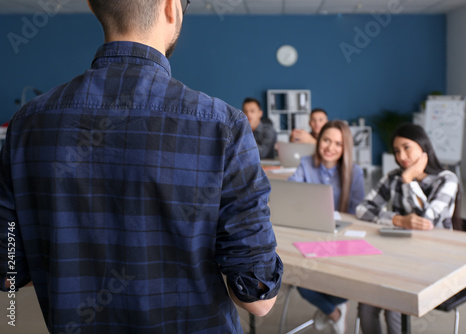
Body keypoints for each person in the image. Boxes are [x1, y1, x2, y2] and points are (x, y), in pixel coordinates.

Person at [0, 1, 283, 333]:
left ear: (93, 5)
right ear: (171, 7)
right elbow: (257, 296)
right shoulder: (223, 127)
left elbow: (9, 270)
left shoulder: (26, 125)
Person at [355, 123, 461, 334]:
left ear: (424, 148)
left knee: (394, 307)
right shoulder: (392, 177)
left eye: (406, 147)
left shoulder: (447, 179)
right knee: (366, 304)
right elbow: (362, 209)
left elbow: (425, 222)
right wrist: (397, 220)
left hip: (434, 260)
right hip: (396, 255)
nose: (401, 155)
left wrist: (409, 180)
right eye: (396, 151)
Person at [288, 120, 365, 334]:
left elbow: (359, 212)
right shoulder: (306, 163)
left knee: (342, 287)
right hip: (311, 236)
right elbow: (292, 190)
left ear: (345, 148)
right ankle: (334, 313)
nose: (330, 147)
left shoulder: (355, 172)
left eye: (338, 144)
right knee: (302, 282)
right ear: (318, 140)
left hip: (342, 239)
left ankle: (333, 305)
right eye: (326, 140)